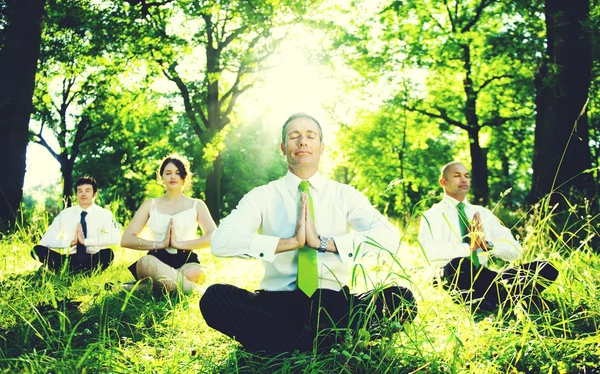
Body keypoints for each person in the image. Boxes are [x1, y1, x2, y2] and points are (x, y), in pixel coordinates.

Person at [199, 113, 417, 355]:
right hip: (278, 303)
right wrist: (289, 242)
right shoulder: (262, 196)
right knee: (214, 298)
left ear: (321, 148)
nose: (302, 141)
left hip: (334, 302)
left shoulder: (345, 195)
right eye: (294, 136)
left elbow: (389, 238)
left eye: (310, 136)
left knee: (402, 299)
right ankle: (328, 339)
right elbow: (220, 242)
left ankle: (290, 342)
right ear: (284, 148)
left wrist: (324, 243)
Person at [418, 161, 559, 313]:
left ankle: (497, 299)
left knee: (546, 268)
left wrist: (488, 245)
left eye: (466, 176)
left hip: (484, 277)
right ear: (443, 182)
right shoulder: (432, 215)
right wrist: (470, 248)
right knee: (458, 264)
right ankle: (517, 299)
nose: (464, 180)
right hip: (450, 278)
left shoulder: (482, 213)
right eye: (457, 176)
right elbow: (428, 252)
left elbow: (515, 250)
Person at [121, 154, 217, 294]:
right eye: (168, 173)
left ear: (184, 177)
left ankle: (144, 288)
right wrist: (159, 244)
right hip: (155, 259)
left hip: (187, 260)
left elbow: (213, 236)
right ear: (161, 177)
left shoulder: (196, 205)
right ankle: (200, 293)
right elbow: (126, 239)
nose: (173, 177)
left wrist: (181, 244)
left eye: (178, 173)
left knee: (195, 273)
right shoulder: (150, 205)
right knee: (145, 262)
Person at [31, 177, 119, 273]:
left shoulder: (104, 214)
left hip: (93, 257)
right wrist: (70, 243)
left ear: (95, 194)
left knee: (108, 254)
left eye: (87, 191)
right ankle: (77, 270)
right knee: (37, 250)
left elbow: (114, 238)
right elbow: (45, 241)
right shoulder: (65, 214)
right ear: (76, 195)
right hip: (70, 258)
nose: (83, 194)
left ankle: (72, 271)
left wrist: (85, 242)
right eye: (79, 191)